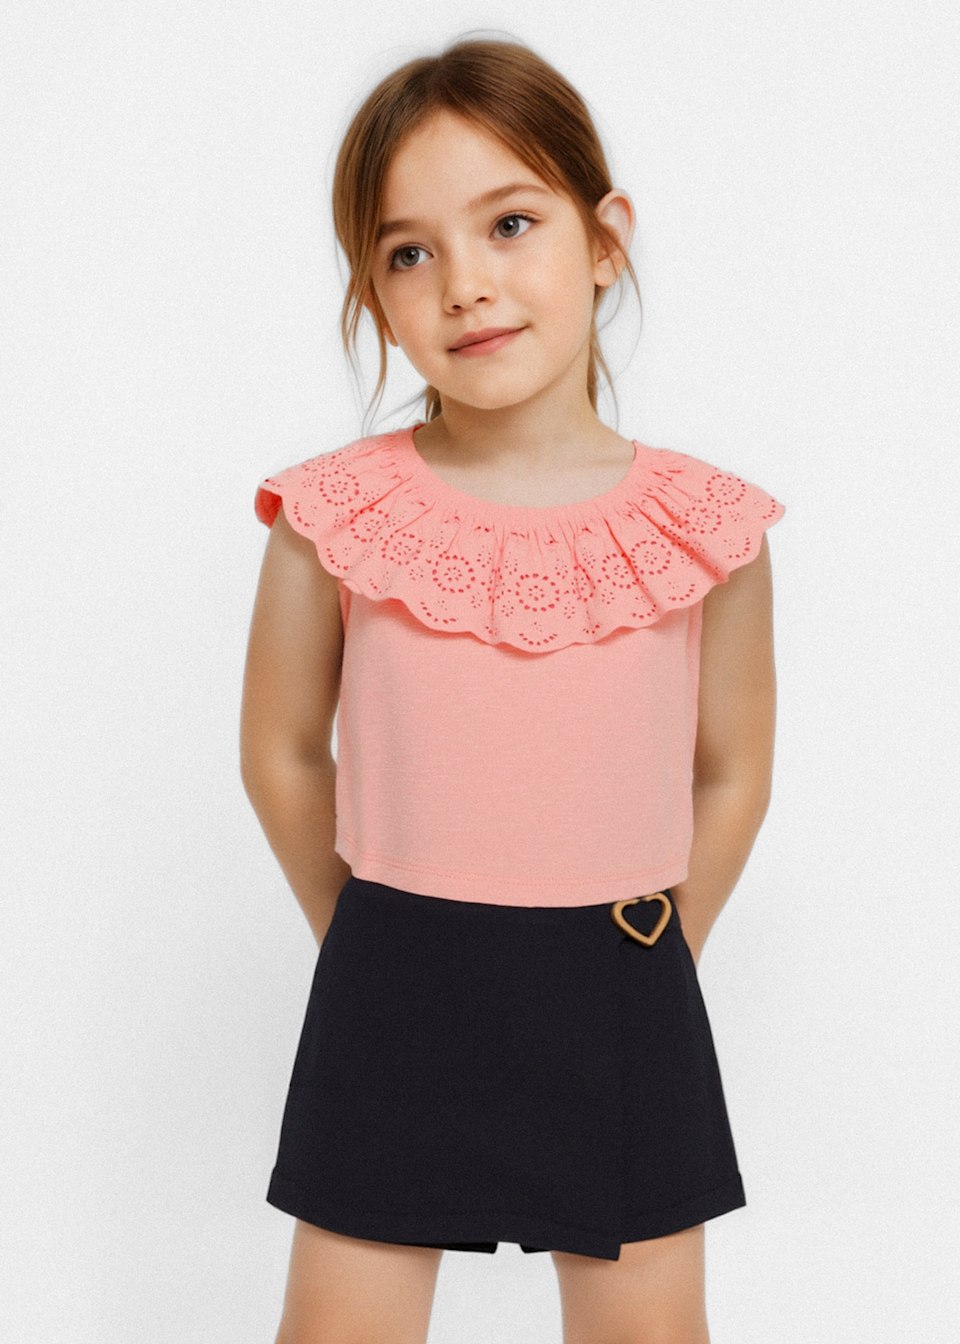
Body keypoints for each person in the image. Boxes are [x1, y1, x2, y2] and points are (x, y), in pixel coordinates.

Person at [240, 33, 786, 1344]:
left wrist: (653, 961)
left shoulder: (705, 526)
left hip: (623, 979)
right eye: (408, 252)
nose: (466, 284)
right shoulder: (332, 516)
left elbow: (731, 769)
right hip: (395, 977)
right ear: (374, 294)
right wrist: (367, 940)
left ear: (605, 240)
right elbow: (282, 753)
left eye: (510, 224)